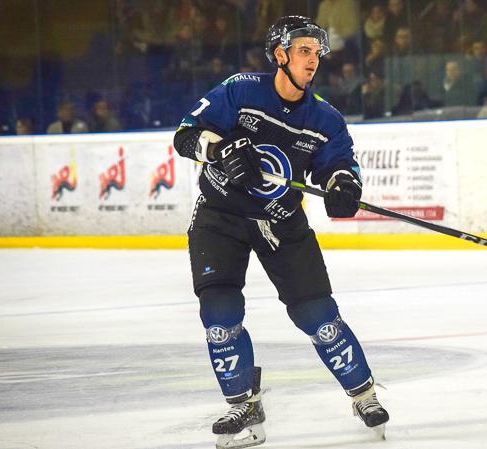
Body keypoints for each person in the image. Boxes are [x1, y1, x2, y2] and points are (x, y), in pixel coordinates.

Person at [172, 16, 389, 449]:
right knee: (219, 314)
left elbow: (339, 165)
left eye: (317, 52)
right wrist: (220, 150)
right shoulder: (241, 90)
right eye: (304, 50)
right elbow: (185, 135)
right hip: (220, 215)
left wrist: (344, 187)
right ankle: (244, 406)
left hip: (281, 221)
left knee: (317, 315)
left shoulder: (325, 118)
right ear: (279, 55)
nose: (313, 60)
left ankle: (363, 394)